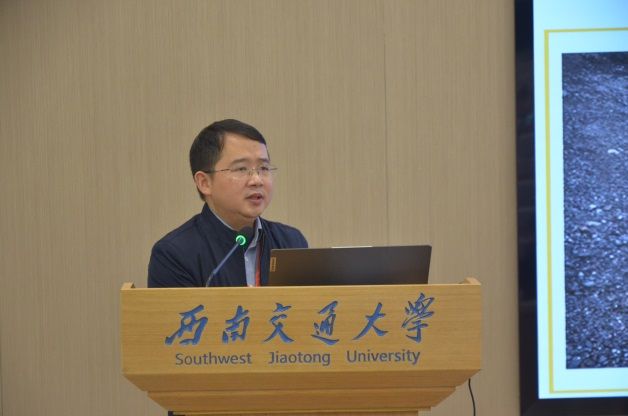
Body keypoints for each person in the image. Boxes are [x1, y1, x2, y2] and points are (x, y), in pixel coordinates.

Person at [148, 119, 308, 288]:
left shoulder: (291, 243)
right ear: (204, 183)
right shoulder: (174, 254)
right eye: (241, 169)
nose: (257, 180)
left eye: (264, 168)